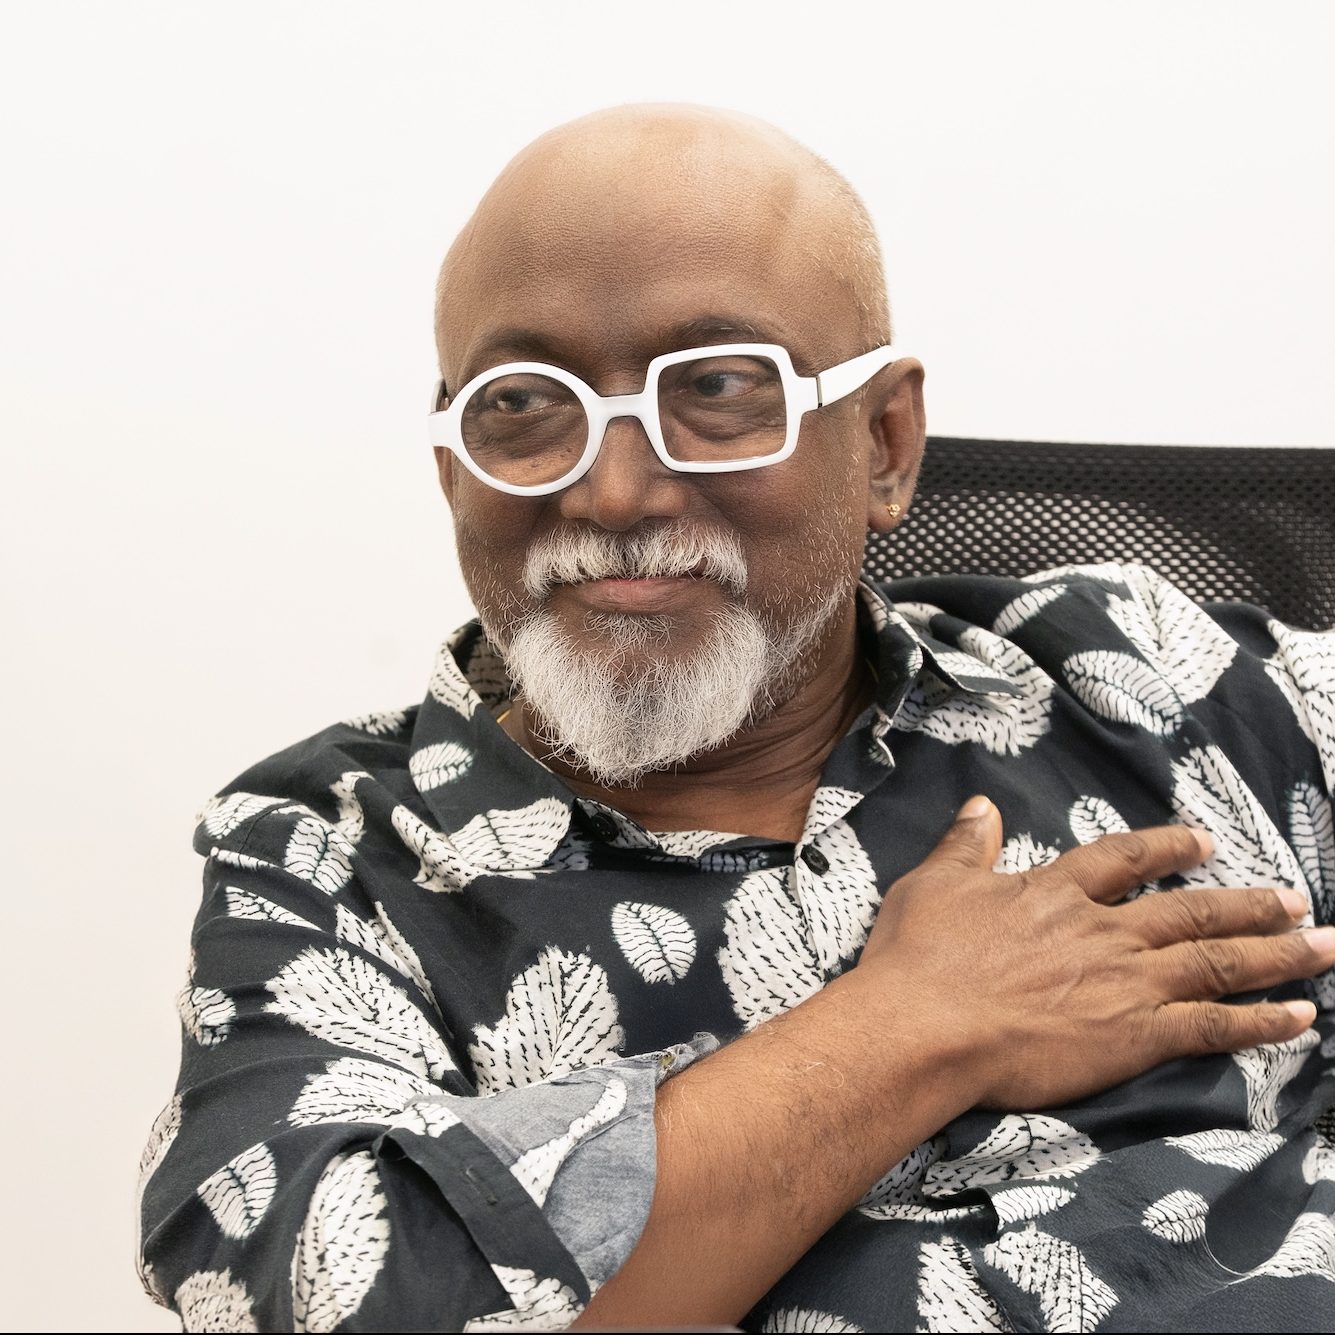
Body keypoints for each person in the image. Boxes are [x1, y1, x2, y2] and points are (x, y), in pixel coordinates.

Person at [138, 105, 1335, 1333]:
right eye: (523, 404)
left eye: (716, 388)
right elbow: (335, 1295)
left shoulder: (1141, 673)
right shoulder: (329, 854)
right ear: (452, 467)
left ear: (884, 443)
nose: (612, 493)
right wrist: (916, 1024)